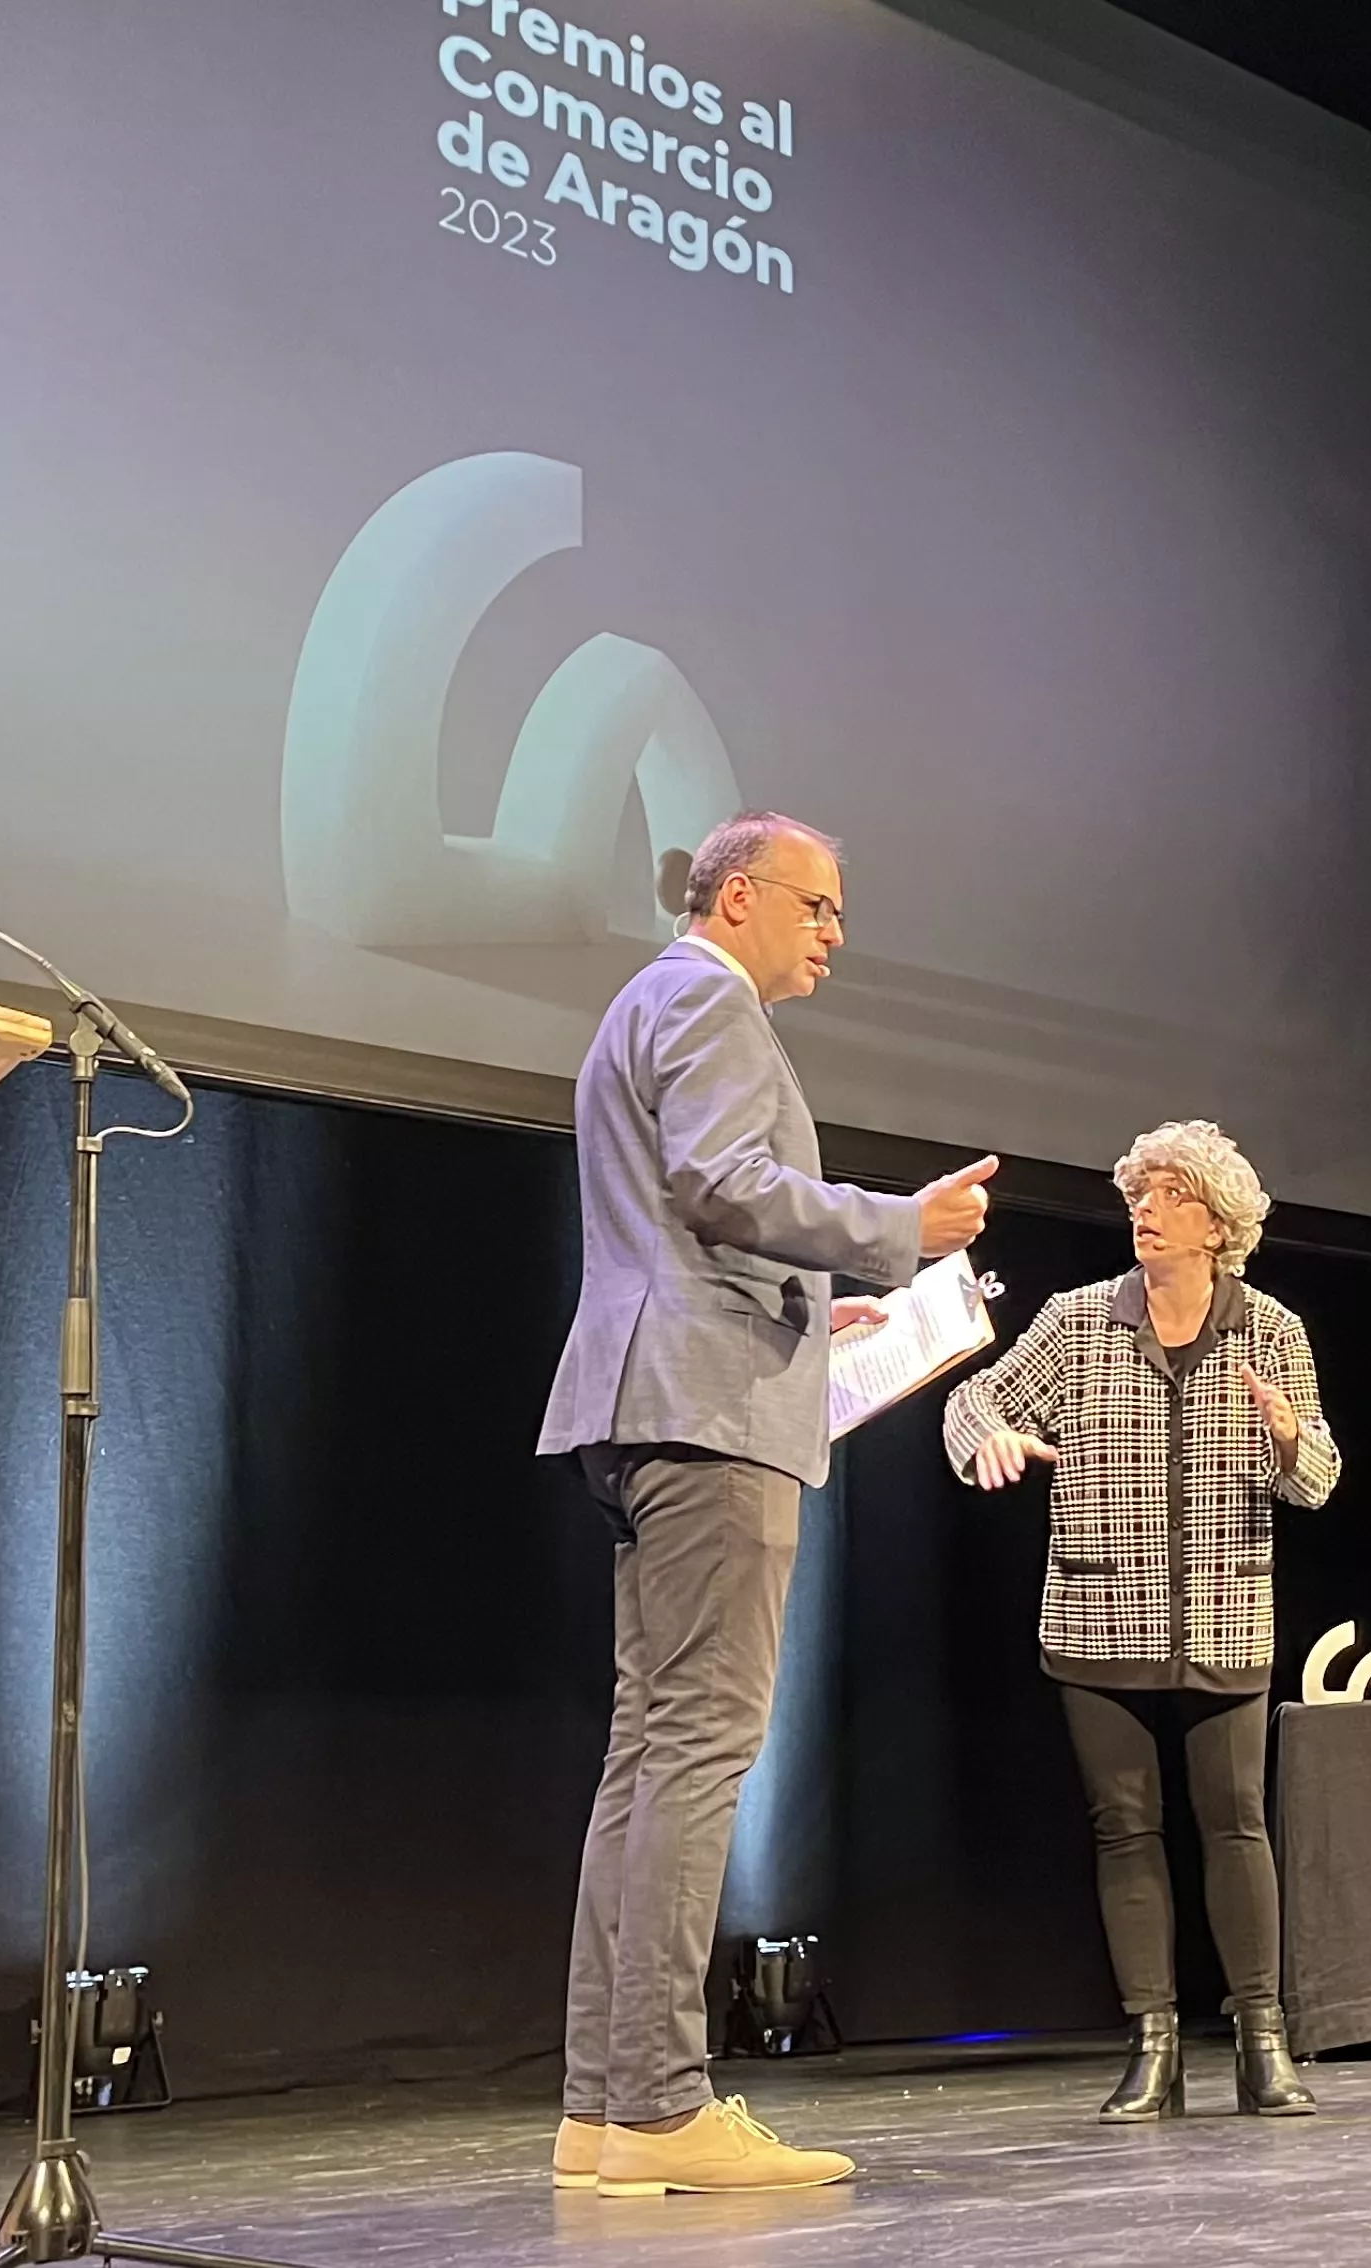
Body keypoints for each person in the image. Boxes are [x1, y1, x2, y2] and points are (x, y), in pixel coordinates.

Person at [540, 811, 996, 2196]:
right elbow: (725, 1185)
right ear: (739, 897)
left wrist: (822, 1302)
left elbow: (697, 1214)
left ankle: (609, 2110)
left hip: (664, 1394)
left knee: (653, 1759)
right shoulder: (702, 996)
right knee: (695, 1753)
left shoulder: (660, 1001)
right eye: (818, 907)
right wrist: (896, 1231)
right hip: (704, 1414)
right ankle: (663, 2102)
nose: (834, 935)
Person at [943, 1119, 1342, 2121]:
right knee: (1125, 1830)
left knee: (1236, 1825)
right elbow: (971, 1401)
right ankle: (1153, 2045)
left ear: (1219, 1223)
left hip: (1225, 1618)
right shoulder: (1080, 1322)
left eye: (1169, 1195)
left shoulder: (1272, 1332)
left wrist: (1290, 1438)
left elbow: (1322, 1480)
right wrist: (988, 1438)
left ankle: (1262, 2043)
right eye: (1139, 1194)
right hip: (1099, 1615)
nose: (1146, 1212)